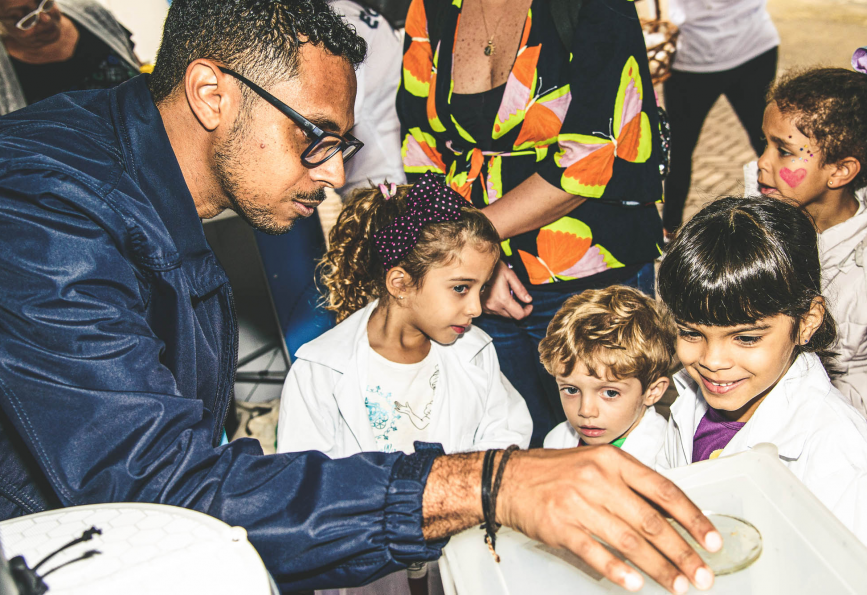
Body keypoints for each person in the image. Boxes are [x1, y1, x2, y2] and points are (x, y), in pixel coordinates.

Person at [0, 1, 724, 593]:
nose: (332, 176)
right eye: (316, 137)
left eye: (341, 146)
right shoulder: (46, 209)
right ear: (212, 94)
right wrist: (489, 483)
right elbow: (158, 483)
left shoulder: (135, 171)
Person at [396, 0, 664, 447]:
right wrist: (477, 264)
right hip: (477, 283)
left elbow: (594, 152)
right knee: (515, 444)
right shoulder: (429, 5)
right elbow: (419, 142)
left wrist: (473, 246)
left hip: (588, 273)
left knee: (608, 447)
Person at [278, 175, 531, 595]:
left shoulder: (475, 353)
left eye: (482, 288)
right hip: (369, 567)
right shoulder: (320, 371)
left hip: (461, 551)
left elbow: (506, 434)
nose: (475, 307)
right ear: (400, 284)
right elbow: (305, 486)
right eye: (461, 288)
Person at [655, 196, 867, 545]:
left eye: (746, 338)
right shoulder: (690, 402)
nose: (713, 361)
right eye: (691, 333)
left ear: (807, 321)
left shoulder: (840, 457)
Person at [743, 67, 867, 417]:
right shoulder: (760, 206)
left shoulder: (860, 269)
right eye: (765, 143)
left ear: (839, 171)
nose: (762, 162)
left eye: (783, 151)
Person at [662, 0, 779, 236]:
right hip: (755, 43)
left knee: (679, 151)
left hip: (698, 56)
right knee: (770, 143)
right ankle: (787, 221)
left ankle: (668, 233)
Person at [539, 285, 672, 467]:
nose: (585, 411)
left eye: (610, 393)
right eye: (571, 390)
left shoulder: (666, 460)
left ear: (652, 391)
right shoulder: (556, 441)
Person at [0, 0, 139, 115]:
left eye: (45, 3)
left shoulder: (90, 13)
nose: (45, 18)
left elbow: (131, 59)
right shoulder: (4, 78)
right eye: (23, 18)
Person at [328, 1, 406, 197]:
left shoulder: (339, 18)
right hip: (386, 168)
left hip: (377, 180)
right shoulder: (360, 14)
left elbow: (340, 117)